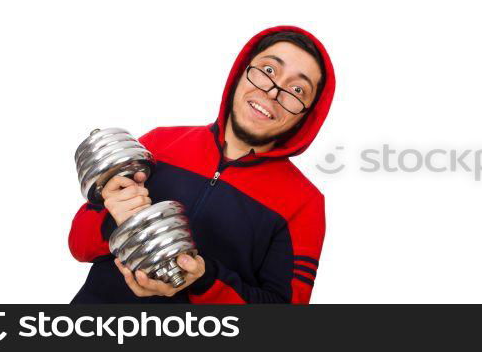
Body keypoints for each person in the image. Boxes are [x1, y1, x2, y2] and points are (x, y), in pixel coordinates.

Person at [68, 25, 335, 303]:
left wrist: (203, 281)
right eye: (268, 70)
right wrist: (113, 219)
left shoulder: (304, 203)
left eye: (296, 89)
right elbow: (78, 246)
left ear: (308, 115)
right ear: (241, 72)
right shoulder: (158, 144)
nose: (272, 92)